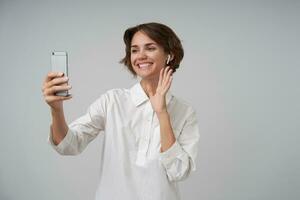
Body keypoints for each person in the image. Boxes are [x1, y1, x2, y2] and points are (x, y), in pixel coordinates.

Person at [42, 22, 200, 200]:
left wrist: (161, 112)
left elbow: (179, 171)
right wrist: (56, 110)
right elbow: (69, 145)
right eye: (134, 50)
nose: (140, 56)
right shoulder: (112, 101)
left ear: (169, 55)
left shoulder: (185, 112)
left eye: (150, 48)